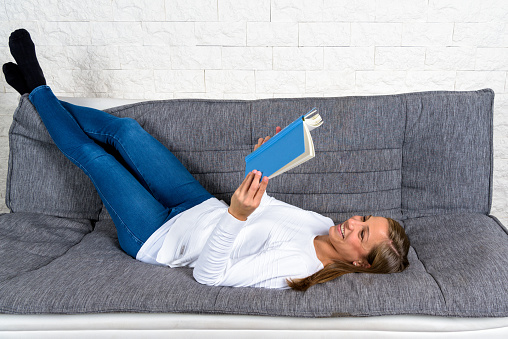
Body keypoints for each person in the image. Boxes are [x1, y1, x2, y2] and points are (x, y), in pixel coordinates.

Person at [3, 29, 410, 291]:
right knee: (127, 131)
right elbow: (263, 207)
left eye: (361, 235)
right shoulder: (321, 224)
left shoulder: (298, 268)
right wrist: (264, 167)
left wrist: (235, 215)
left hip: (158, 238)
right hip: (197, 205)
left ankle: (37, 88)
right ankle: (43, 100)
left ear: (359, 262)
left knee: (97, 158)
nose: (351, 224)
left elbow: (210, 276)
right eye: (363, 220)